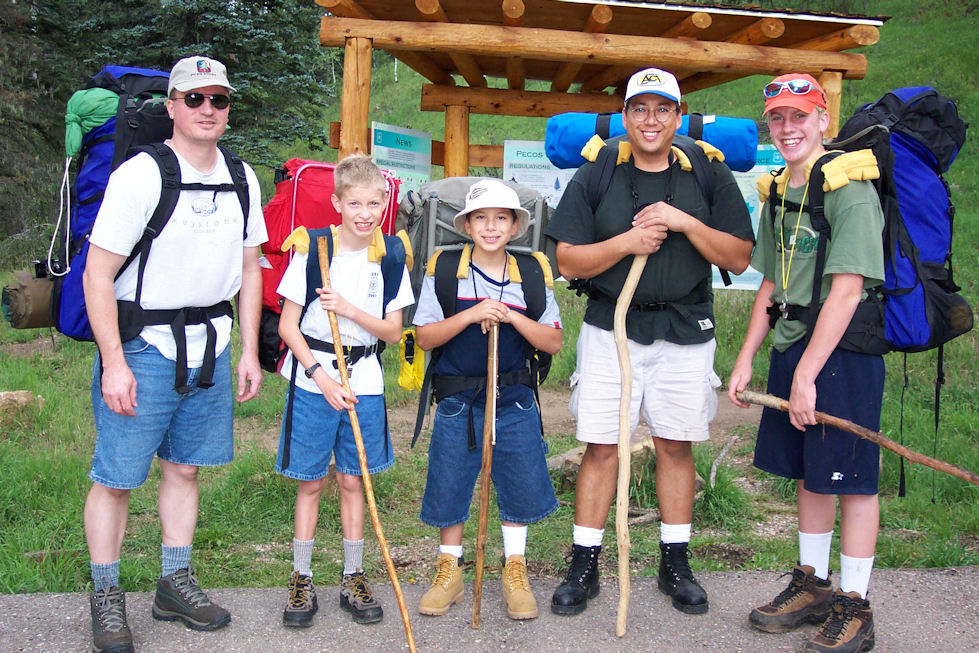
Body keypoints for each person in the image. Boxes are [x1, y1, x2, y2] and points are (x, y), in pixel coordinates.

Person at [544, 67, 754, 617]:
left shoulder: (707, 171)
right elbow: (567, 259)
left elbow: (736, 256)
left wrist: (685, 222)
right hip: (610, 329)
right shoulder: (599, 171)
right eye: (640, 108)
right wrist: (627, 241)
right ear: (626, 115)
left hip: (686, 331)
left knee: (676, 443)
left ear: (678, 116)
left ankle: (675, 562)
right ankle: (584, 565)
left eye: (663, 109)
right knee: (601, 445)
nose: (651, 119)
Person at [82, 55, 266, 653]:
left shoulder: (241, 176)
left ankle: (173, 581)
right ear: (172, 107)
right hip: (145, 347)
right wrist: (114, 360)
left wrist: (248, 351)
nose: (208, 109)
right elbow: (98, 273)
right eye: (195, 99)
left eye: (218, 100)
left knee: (184, 468)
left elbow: (248, 265)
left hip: (211, 345)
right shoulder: (140, 174)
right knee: (116, 478)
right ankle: (106, 595)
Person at [727, 74, 884, 653]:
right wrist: (747, 357)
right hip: (797, 349)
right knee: (811, 473)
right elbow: (771, 282)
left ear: (823, 120)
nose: (788, 128)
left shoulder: (850, 189)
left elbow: (846, 291)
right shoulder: (780, 191)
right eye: (778, 119)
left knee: (853, 479)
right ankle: (813, 586)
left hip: (843, 354)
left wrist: (808, 374)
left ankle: (856, 605)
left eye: (800, 116)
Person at [274, 153, 414, 628]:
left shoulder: (391, 255)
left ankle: (353, 574)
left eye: (374, 203)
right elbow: (289, 328)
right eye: (355, 203)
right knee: (311, 481)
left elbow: (394, 333)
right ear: (336, 202)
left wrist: (349, 309)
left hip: (366, 380)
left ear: (384, 203)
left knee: (354, 479)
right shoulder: (312, 251)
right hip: (315, 378)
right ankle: (301, 577)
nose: (365, 213)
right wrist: (321, 376)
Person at [413, 179, 562, 621]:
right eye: (481, 218)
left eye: (501, 218)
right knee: (450, 481)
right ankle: (450, 570)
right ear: (468, 225)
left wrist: (511, 316)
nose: (491, 227)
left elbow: (552, 342)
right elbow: (424, 337)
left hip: (513, 399)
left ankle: (515, 569)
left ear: (516, 226)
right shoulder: (444, 268)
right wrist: (473, 313)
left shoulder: (532, 272)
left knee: (518, 481)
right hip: (458, 399)